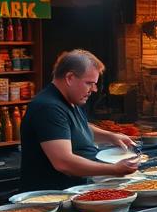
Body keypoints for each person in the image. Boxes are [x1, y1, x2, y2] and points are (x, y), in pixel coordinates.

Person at [19, 50, 139, 191]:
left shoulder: (70, 100)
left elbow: (76, 127)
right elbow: (64, 163)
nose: (93, 89)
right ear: (70, 78)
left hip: (74, 190)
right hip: (51, 197)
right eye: (89, 83)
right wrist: (114, 169)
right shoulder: (48, 107)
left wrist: (110, 136)